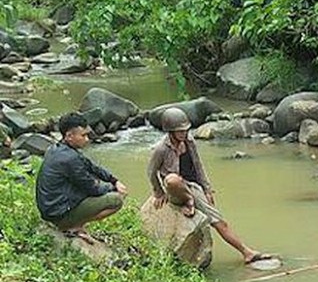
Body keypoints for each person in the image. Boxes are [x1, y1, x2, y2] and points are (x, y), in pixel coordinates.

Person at [147, 107, 272, 266]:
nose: (184, 134)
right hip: (176, 190)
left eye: (185, 130)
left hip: (193, 187)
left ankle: (247, 252)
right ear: (170, 131)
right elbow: (151, 172)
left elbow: (198, 165)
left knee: (219, 221)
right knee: (172, 179)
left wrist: (207, 189)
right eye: (180, 131)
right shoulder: (161, 149)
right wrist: (158, 192)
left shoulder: (189, 142)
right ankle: (189, 200)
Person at [35, 112, 127, 242]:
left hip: (52, 207)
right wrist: (113, 188)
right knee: (116, 201)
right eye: (83, 135)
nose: (87, 139)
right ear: (69, 136)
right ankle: (72, 226)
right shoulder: (70, 159)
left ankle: (74, 224)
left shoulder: (57, 148)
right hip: (58, 213)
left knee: (102, 190)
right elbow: (93, 188)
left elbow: (92, 166)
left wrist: (114, 179)